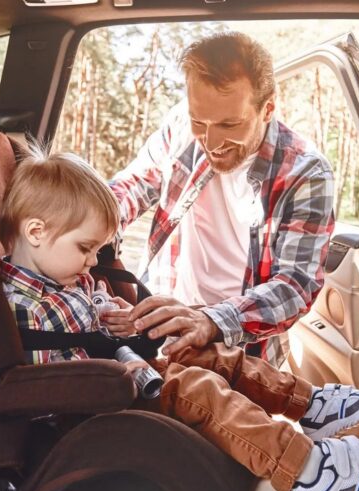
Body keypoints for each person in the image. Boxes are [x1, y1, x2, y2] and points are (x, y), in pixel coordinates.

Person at [0, 149, 359, 491]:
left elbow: (89, 313)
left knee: (213, 357)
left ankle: (309, 405)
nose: (91, 262)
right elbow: (59, 379)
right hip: (97, 402)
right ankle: (309, 472)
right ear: (36, 232)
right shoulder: (27, 307)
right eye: (85, 249)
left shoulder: (63, 277)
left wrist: (117, 315)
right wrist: (121, 357)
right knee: (200, 389)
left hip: (127, 370)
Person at [104, 32, 334, 369]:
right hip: (160, 329)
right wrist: (94, 225)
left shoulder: (307, 172)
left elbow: (295, 286)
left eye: (230, 123)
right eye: (200, 120)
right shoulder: (180, 127)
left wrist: (211, 321)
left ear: (267, 108)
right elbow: (132, 186)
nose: (211, 141)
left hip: (243, 350)